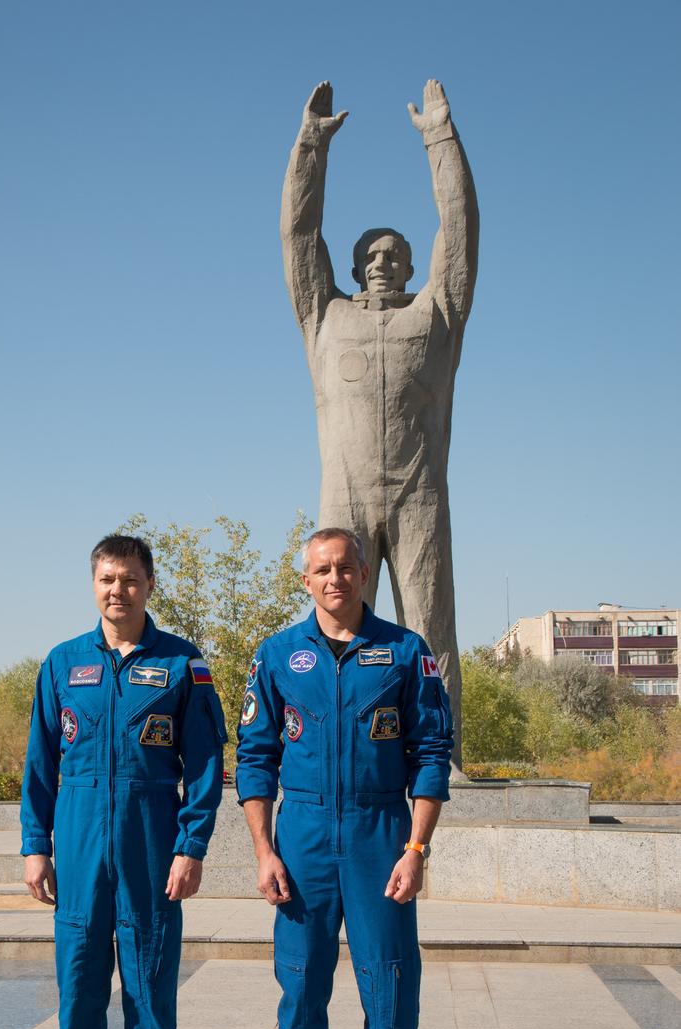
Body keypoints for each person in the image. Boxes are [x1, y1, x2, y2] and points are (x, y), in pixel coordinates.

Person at [236, 527, 452, 1029]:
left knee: (391, 997)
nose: (334, 579)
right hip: (301, 842)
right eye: (321, 569)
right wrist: (264, 851)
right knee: (300, 1001)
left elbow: (430, 753)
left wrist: (415, 850)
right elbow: (254, 758)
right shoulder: (277, 655)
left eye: (345, 568)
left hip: (378, 835)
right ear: (306, 580)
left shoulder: (405, 652)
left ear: (364, 574)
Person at [21, 534, 227, 1029]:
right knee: (79, 1003)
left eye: (131, 579)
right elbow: (40, 764)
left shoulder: (182, 664)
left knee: (150, 1004)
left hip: (150, 852)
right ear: (94, 585)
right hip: (81, 853)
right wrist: (35, 846)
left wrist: (191, 847)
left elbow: (204, 766)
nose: (119, 590)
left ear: (149, 585)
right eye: (108, 579)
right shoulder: (62, 663)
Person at [280, 78, 478, 765]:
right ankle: (333, 754)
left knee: (430, 631)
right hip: (345, 497)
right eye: (370, 256)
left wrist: (439, 139)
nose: (382, 264)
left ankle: (440, 759)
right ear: (354, 267)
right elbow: (298, 235)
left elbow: (461, 230)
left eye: (394, 255)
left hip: (420, 494)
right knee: (334, 630)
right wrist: (311, 146)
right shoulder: (324, 316)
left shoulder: (436, 316)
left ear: (414, 266)